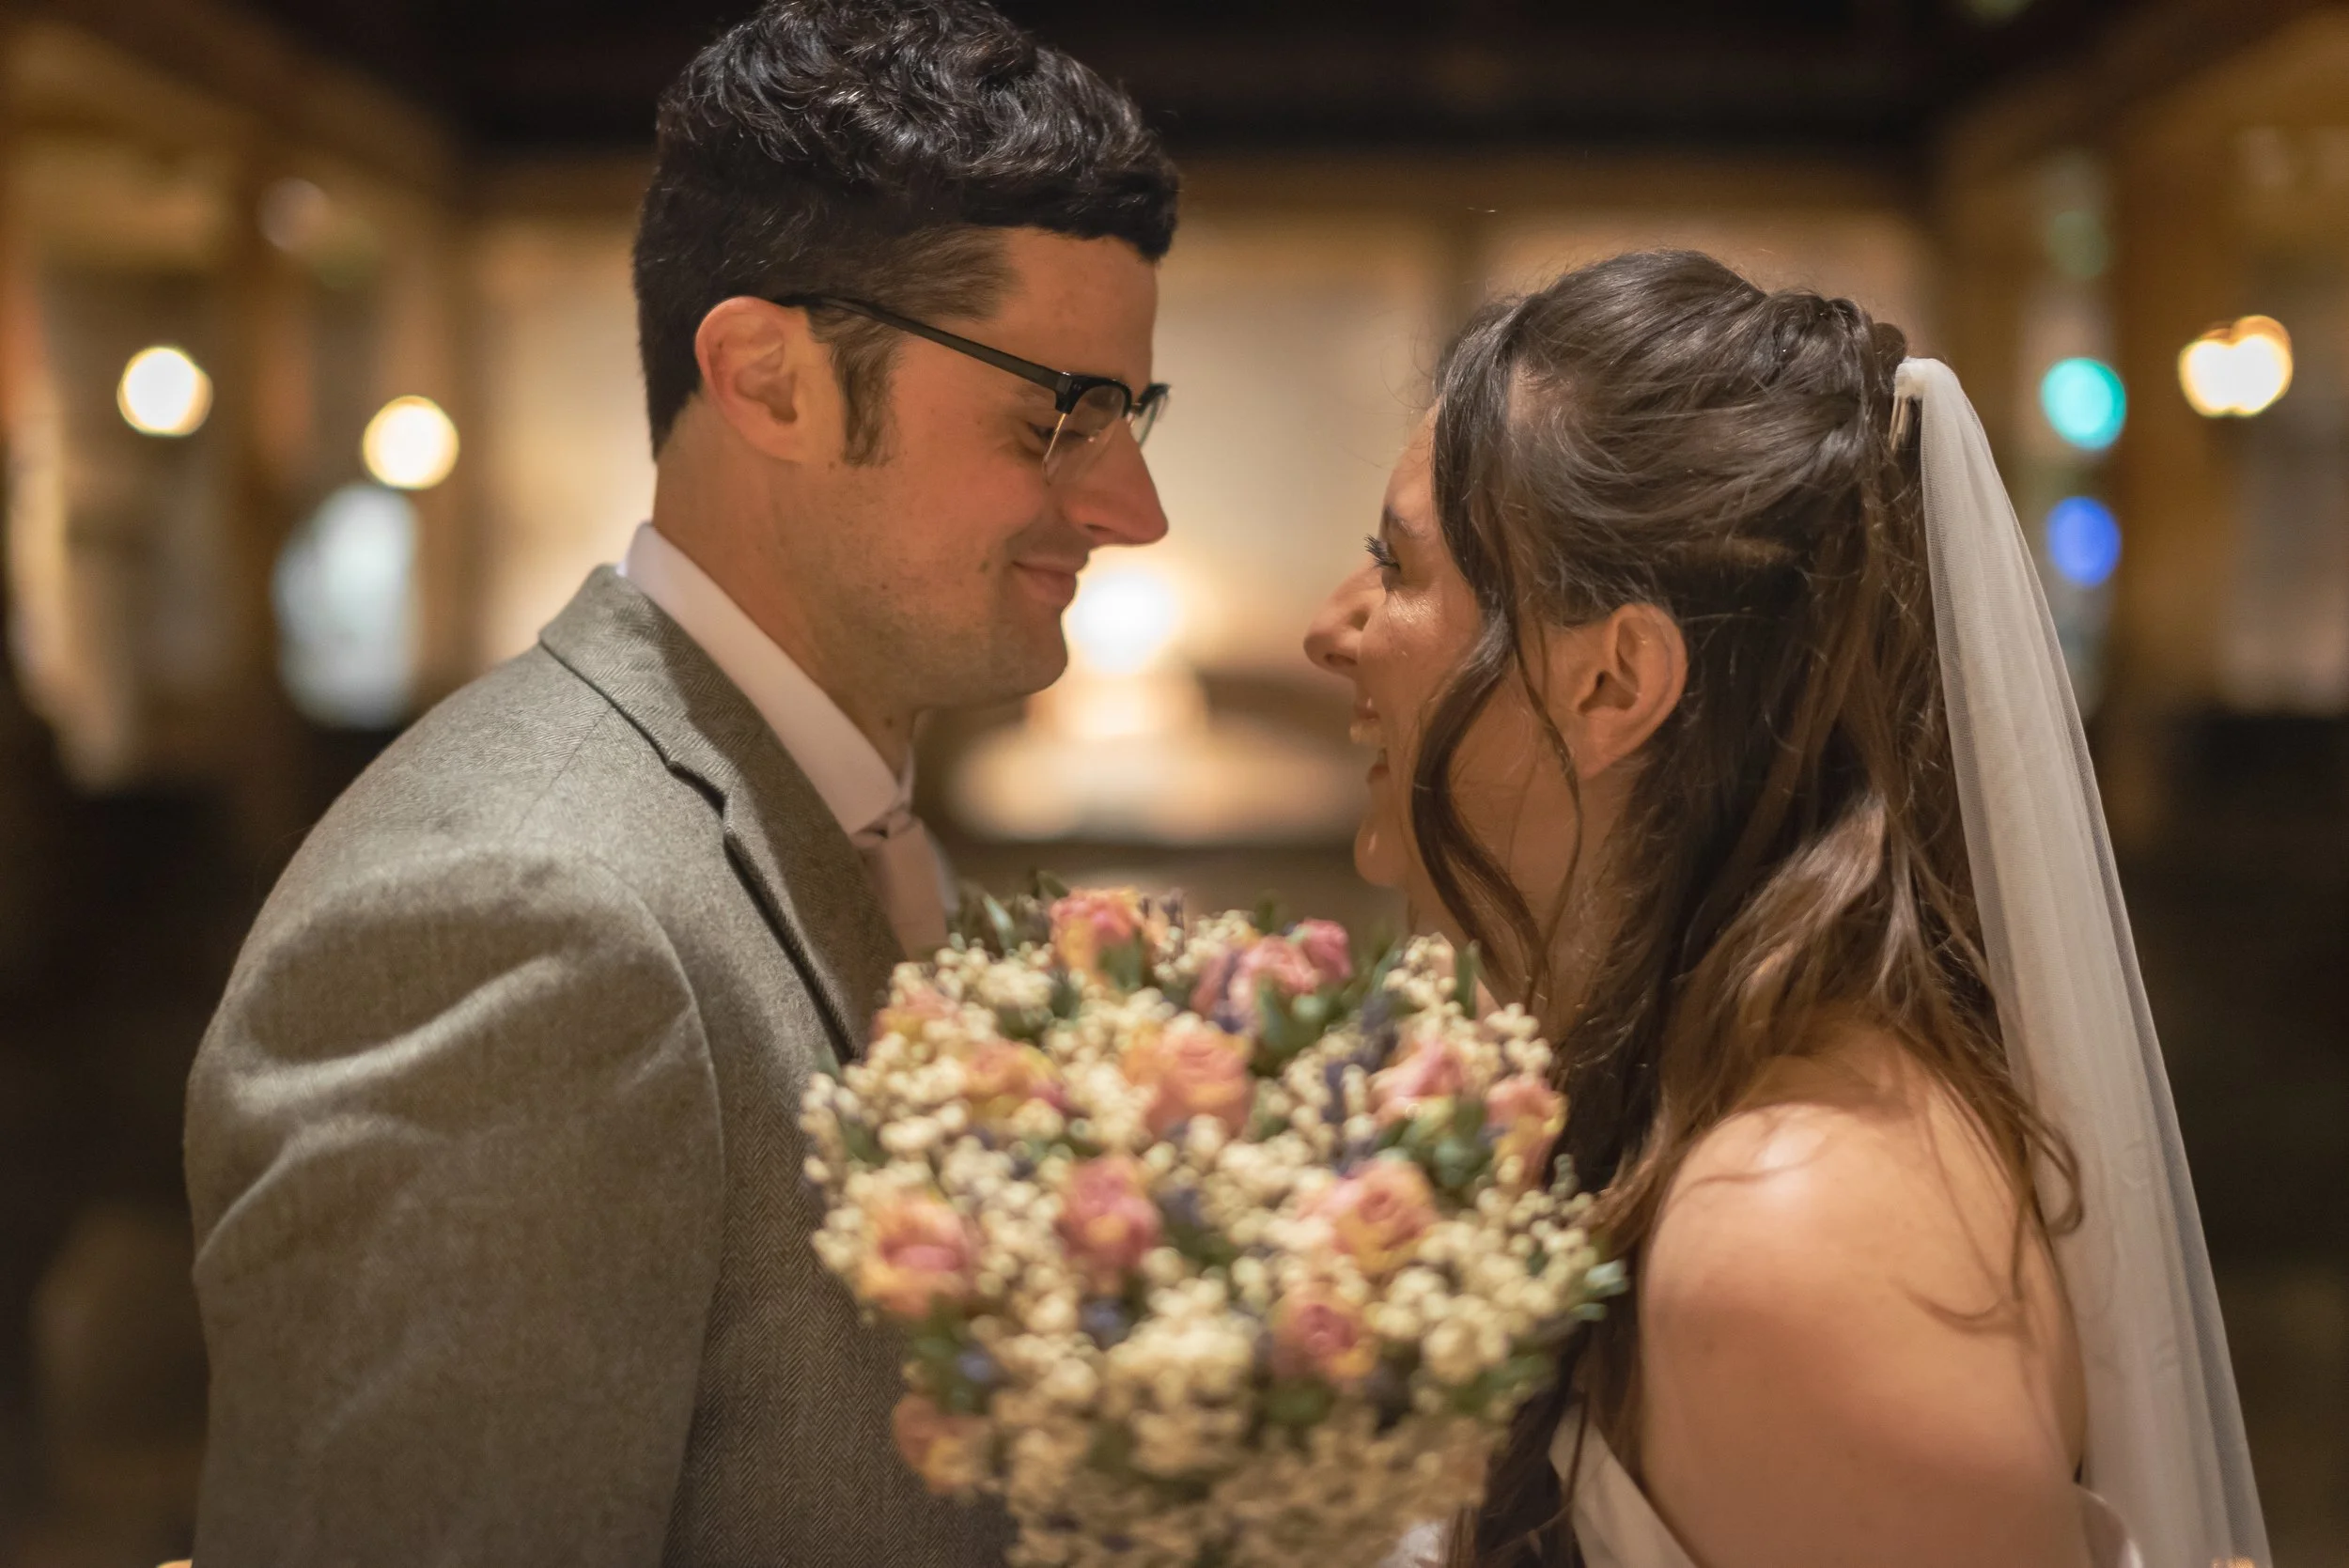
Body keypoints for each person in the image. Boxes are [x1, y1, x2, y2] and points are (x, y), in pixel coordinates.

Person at [182, 2, 1175, 1562]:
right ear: (769, 380)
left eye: (1134, 413)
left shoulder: (836, 806)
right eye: (1060, 414)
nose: (1133, 507)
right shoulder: (526, 916)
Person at [1309, 251, 2266, 1568]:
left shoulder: (1796, 1245)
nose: (1333, 626)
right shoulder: (1644, 1072)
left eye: (1395, 567)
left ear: (1613, 682)